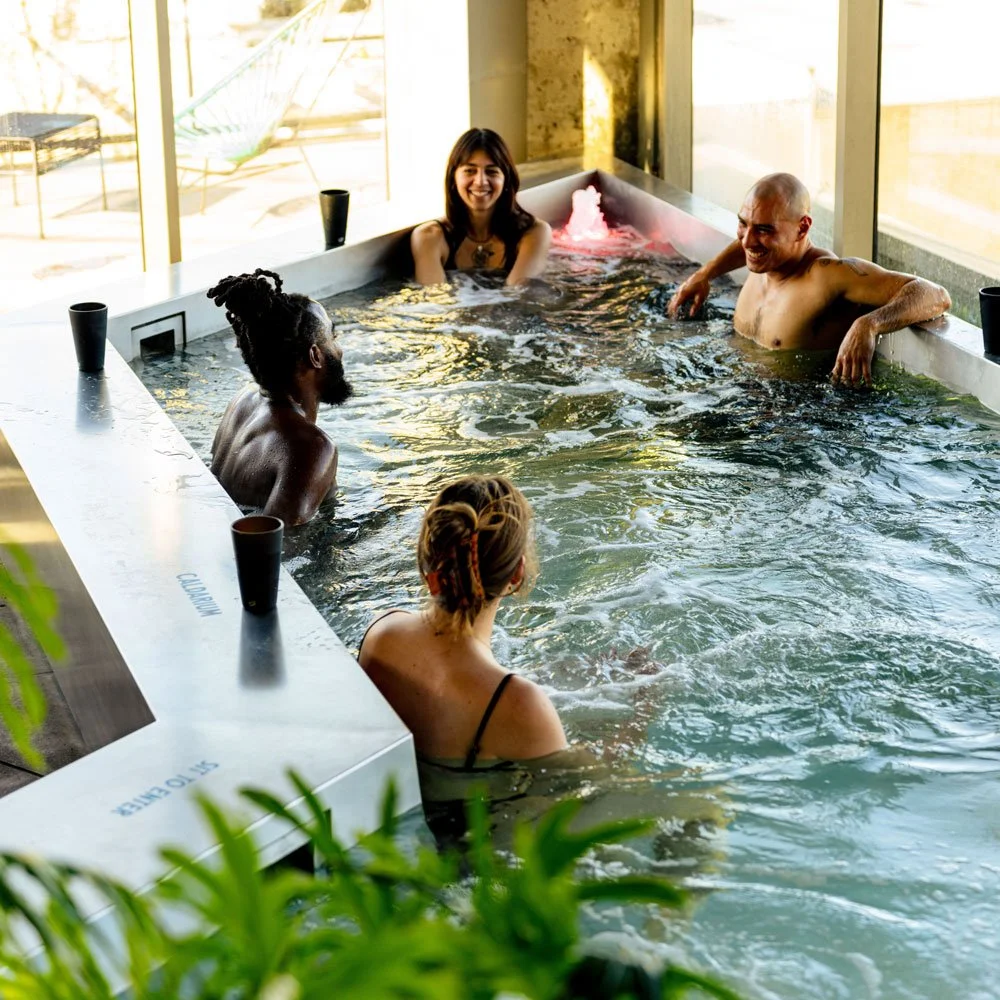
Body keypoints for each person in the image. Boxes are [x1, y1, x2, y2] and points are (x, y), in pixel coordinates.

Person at [358, 475, 567, 786]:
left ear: (427, 554)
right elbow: (582, 794)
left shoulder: (382, 632)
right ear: (517, 573)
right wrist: (641, 710)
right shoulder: (520, 703)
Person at [667, 172, 951, 385]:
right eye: (743, 224)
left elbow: (935, 294)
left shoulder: (826, 275)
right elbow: (748, 243)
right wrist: (705, 274)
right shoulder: (763, 258)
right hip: (737, 391)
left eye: (765, 230)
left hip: (795, 425)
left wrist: (869, 324)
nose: (747, 241)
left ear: (802, 228)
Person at [207, 269, 353, 526]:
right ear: (315, 356)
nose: (339, 350)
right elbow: (280, 551)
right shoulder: (310, 448)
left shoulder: (243, 400)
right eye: (333, 338)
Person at [411, 128, 551, 287]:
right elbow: (435, 302)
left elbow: (518, 297)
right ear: (453, 179)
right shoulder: (430, 237)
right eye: (470, 171)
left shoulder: (533, 233)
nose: (480, 181)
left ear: (506, 180)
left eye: (492, 172)